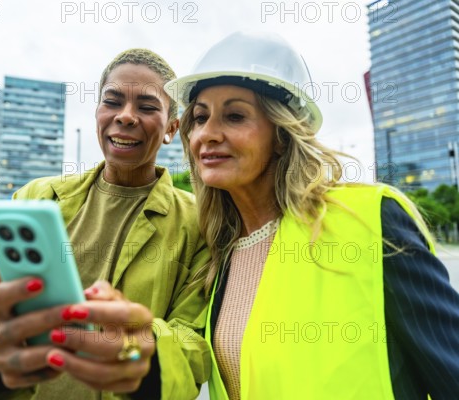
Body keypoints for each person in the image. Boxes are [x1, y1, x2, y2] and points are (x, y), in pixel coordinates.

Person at [165, 32, 459, 399]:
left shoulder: (371, 221)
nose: (207, 134)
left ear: (282, 134)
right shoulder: (219, 253)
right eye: (199, 117)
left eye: (235, 115)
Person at [0, 48, 212, 400]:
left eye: (147, 107)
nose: (126, 116)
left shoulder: (198, 222)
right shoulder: (37, 198)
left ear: (171, 128)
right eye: (112, 102)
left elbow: (193, 340)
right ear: (97, 113)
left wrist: (141, 357)